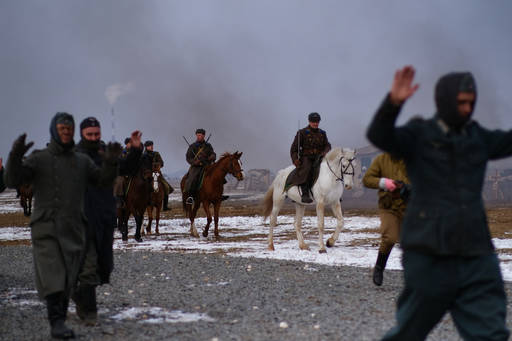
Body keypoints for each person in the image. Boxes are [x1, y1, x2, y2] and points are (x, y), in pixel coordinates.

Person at [367, 66, 510, 340]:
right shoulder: (420, 134)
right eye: (461, 103)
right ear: (445, 101)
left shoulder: (478, 137)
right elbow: (379, 135)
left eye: (471, 103)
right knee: (409, 332)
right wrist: (393, 104)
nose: (467, 109)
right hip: (429, 254)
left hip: (477, 255)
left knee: (491, 334)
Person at [4, 112, 121, 339]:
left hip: (74, 227)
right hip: (46, 227)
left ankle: (74, 306)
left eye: (69, 129)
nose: (65, 133)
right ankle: (57, 322)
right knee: (53, 274)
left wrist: (111, 162)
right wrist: (15, 156)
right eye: (61, 129)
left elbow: (103, 181)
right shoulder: (40, 158)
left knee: (69, 276)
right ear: (53, 130)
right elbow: (12, 180)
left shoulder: (82, 161)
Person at [73, 117, 142, 325]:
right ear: (82, 134)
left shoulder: (105, 154)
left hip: (105, 218)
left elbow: (127, 167)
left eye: (96, 134)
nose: (94, 138)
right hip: (83, 218)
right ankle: (90, 312)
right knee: (89, 267)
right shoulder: (75, 156)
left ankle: (77, 294)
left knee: (105, 268)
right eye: (90, 134)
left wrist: (136, 150)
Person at [362, 153, 409, 286]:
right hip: (389, 207)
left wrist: (409, 188)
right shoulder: (381, 159)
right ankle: (379, 268)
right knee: (390, 238)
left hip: (411, 206)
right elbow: (367, 179)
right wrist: (384, 183)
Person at [289, 112, 331, 203]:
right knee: (307, 169)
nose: (315, 123)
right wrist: (295, 159)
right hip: (306, 157)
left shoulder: (322, 133)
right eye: (313, 122)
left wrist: (325, 152)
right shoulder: (302, 133)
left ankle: (332, 194)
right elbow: (293, 149)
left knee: (329, 169)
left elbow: (327, 145)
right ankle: (304, 194)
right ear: (309, 121)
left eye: (317, 122)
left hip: (319, 157)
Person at [184, 129, 216, 204]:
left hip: (207, 165)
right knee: (192, 178)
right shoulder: (192, 146)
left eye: (200, 135)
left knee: (218, 175)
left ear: (204, 136)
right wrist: (195, 162)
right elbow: (188, 158)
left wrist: (212, 157)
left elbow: (213, 154)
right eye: (197, 135)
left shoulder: (208, 146)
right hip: (196, 167)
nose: (199, 136)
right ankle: (190, 197)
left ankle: (218, 194)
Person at [141, 140, 173, 210]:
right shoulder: (143, 156)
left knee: (166, 187)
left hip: (156, 174)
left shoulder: (156, 154)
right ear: (146, 147)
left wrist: (157, 165)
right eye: (150, 145)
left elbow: (161, 163)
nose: (152, 147)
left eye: (152, 145)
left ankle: (165, 206)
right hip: (146, 174)